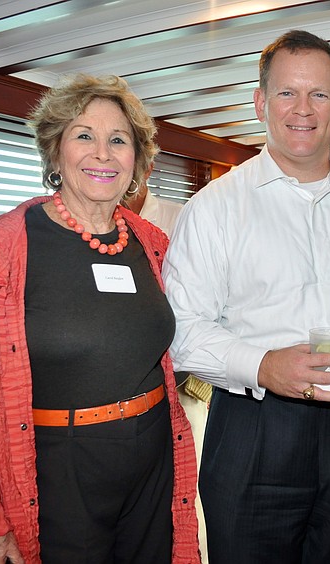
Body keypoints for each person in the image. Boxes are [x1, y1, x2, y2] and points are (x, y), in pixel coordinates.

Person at [0, 74, 199, 564]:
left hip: (153, 461)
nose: (103, 153)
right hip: (59, 469)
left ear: (136, 160)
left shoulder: (152, 243)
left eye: (118, 140)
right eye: (83, 136)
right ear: (55, 153)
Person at [163, 30, 330, 564]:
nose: (303, 109)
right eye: (286, 93)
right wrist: (265, 365)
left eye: (319, 94)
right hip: (255, 427)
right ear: (260, 102)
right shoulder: (214, 207)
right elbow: (181, 330)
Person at [125, 168, 211, 563]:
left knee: (187, 501)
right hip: (120, 401)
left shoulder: (185, 219)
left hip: (184, 388)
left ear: (145, 167)